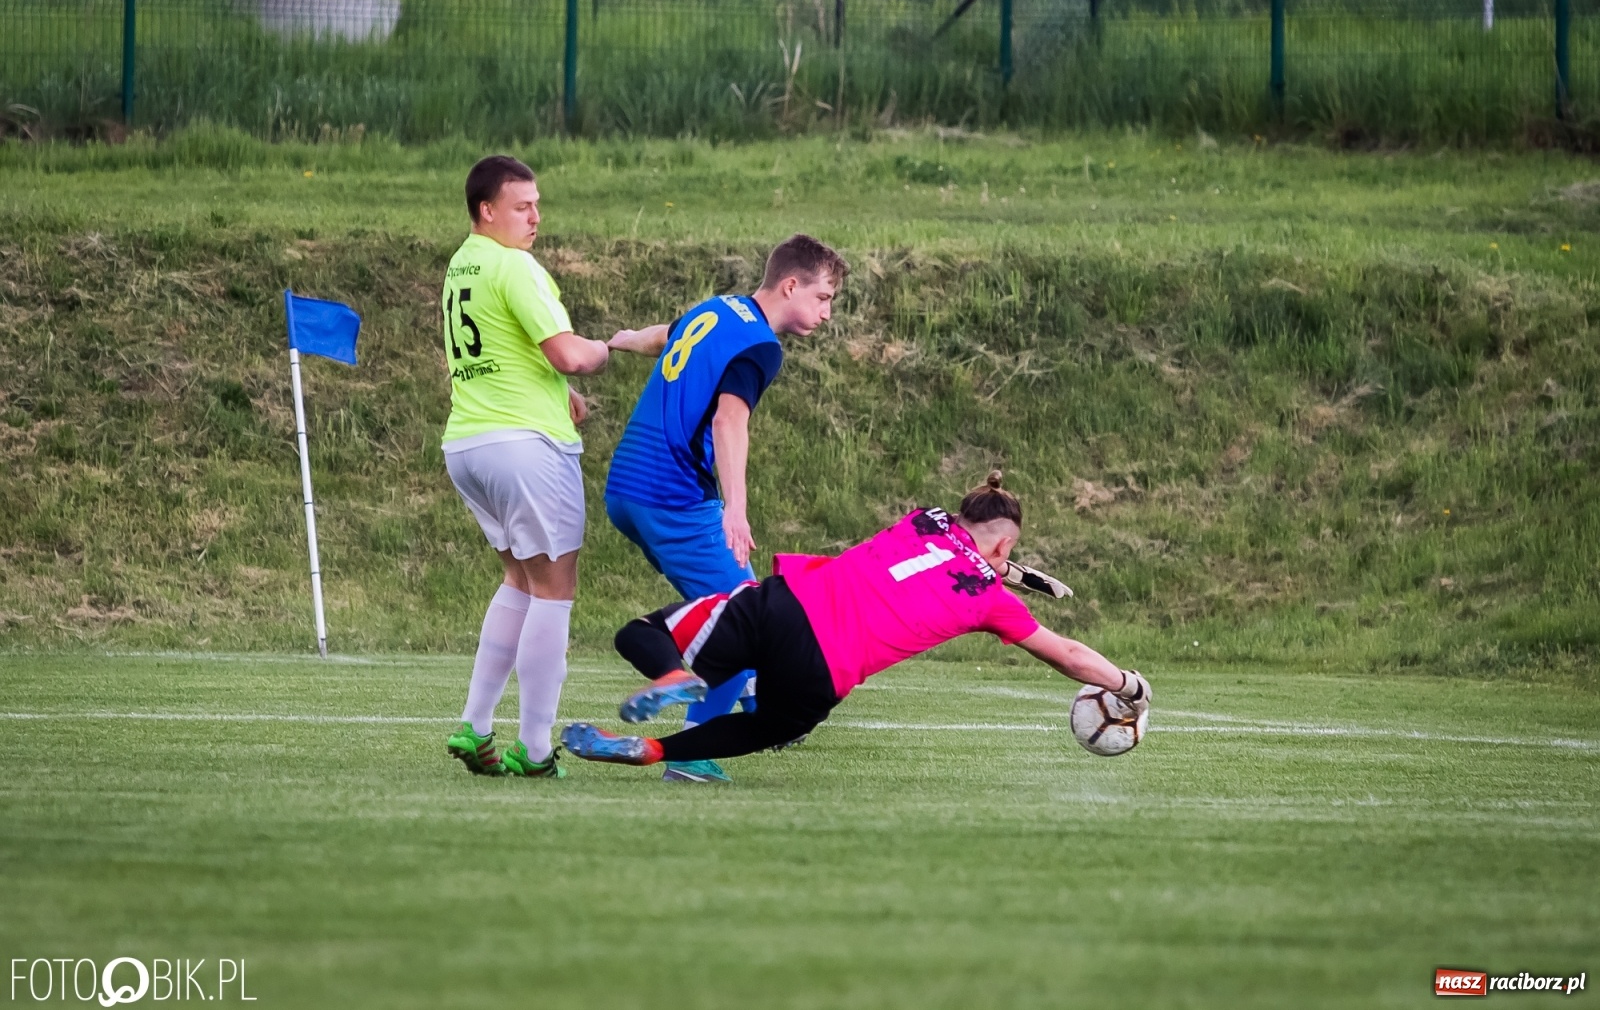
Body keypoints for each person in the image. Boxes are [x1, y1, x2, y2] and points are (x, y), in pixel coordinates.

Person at [561, 472, 1152, 771]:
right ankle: (657, 752)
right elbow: (1069, 655)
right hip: (824, 671)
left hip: (786, 605)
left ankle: (669, 673)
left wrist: (1011, 567)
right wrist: (1128, 685)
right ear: (1004, 551)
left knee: (640, 632)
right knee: (771, 727)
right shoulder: (992, 599)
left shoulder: (926, 518)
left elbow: (970, 548)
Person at [602, 234, 849, 782]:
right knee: (747, 623)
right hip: (673, 498)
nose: (827, 313)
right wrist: (735, 509)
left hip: (624, 492)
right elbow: (728, 420)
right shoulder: (762, 346)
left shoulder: (717, 309)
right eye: (823, 297)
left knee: (729, 605)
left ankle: (758, 694)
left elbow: (661, 339)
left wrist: (619, 342)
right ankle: (690, 756)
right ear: (790, 285)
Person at [440, 154, 650, 778]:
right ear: (487, 210)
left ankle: (475, 725)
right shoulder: (515, 265)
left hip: (470, 444)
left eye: (537, 204)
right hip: (524, 447)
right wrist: (608, 348)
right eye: (521, 206)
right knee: (555, 590)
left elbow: (501, 352)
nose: (535, 217)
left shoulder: (462, 264)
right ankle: (534, 750)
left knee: (519, 581)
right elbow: (569, 355)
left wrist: (559, 393)